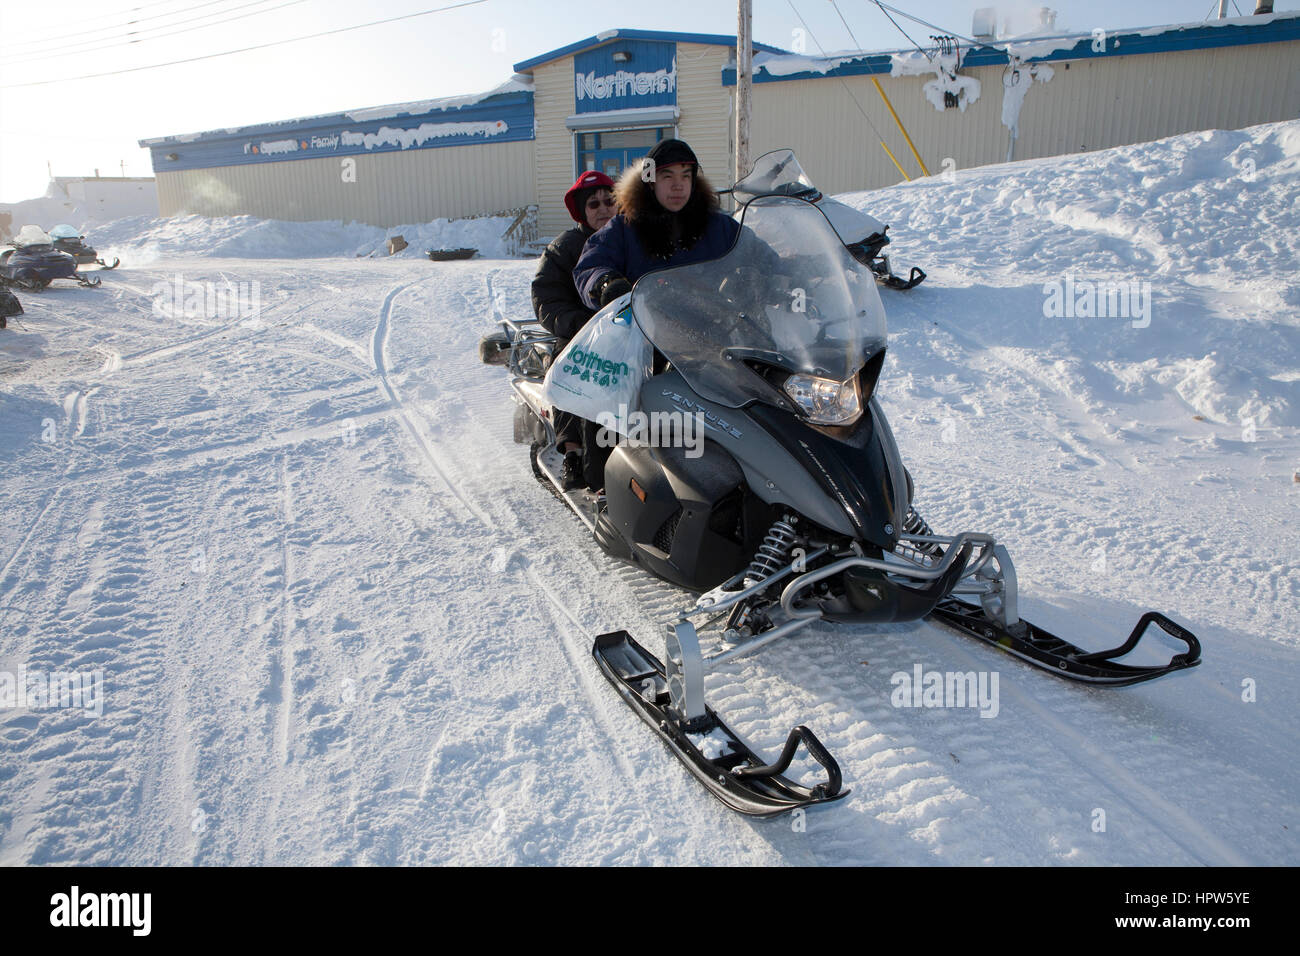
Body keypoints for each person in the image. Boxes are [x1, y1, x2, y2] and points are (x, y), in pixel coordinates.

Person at [573, 138, 740, 312]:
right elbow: (589, 267)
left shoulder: (720, 227)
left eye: (685, 176)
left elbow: (761, 259)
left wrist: (752, 277)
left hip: (715, 330)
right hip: (645, 333)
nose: (678, 185)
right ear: (651, 182)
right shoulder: (624, 229)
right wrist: (605, 283)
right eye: (667, 176)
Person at [530, 170, 616, 488]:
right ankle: (573, 453)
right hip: (581, 333)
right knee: (571, 370)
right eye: (594, 204)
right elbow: (545, 296)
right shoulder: (565, 247)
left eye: (610, 201)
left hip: (629, 333)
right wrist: (580, 322)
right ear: (581, 212)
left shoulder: (632, 241)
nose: (603, 209)